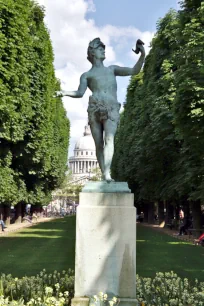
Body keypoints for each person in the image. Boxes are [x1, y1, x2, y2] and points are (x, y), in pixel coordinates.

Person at [56, 38, 145, 182]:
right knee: (98, 144)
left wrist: (142, 55)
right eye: (99, 48)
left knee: (109, 139)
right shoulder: (86, 75)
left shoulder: (112, 69)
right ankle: (105, 173)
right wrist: (64, 92)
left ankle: (107, 173)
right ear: (92, 53)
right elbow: (79, 93)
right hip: (94, 108)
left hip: (110, 107)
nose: (103, 50)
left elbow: (135, 71)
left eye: (103, 48)